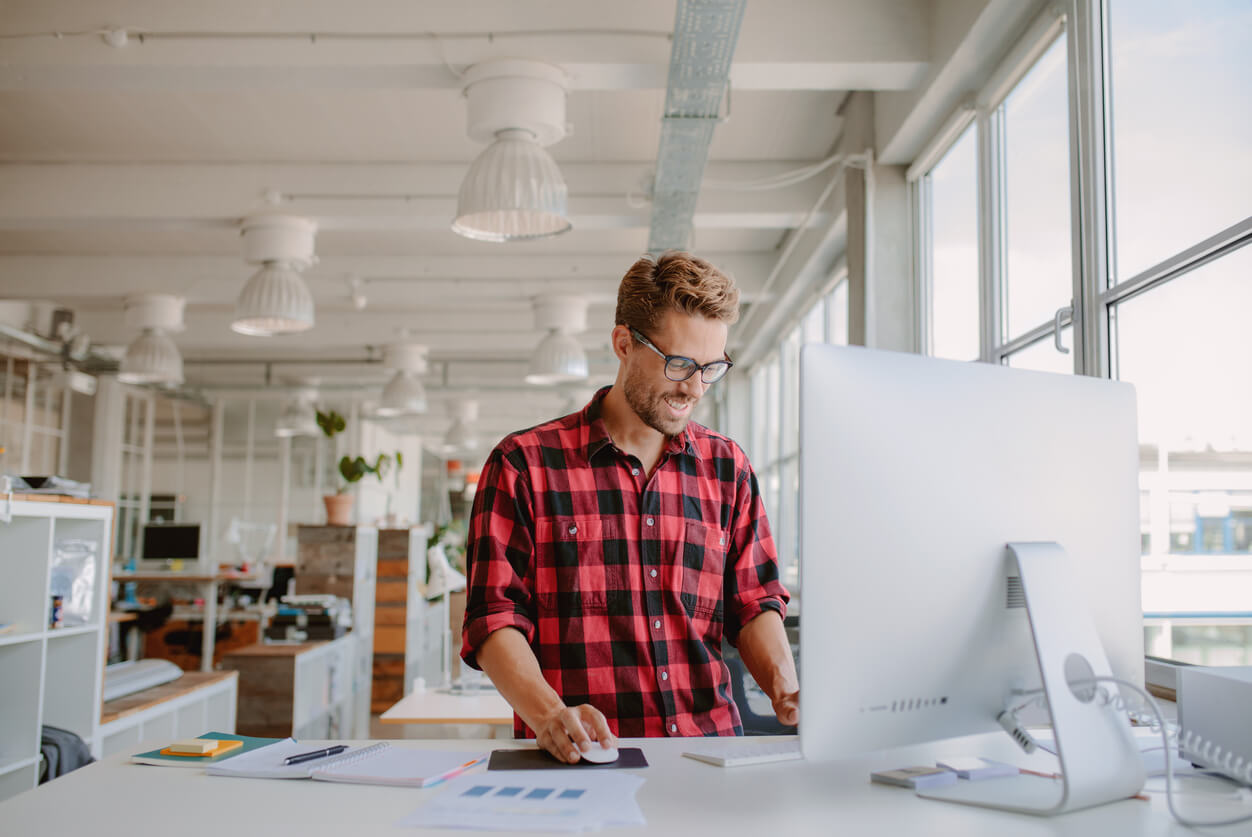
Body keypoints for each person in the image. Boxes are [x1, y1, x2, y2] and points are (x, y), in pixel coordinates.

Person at [460, 251, 797, 763]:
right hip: (582, 761)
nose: (695, 387)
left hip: (709, 758)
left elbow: (754, 602)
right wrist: (550, 714)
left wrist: (787, 690)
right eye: (680, 363)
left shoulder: (729, 469)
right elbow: (494, 618)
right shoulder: (523, 465)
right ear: (623, 344)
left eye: (712, 368)